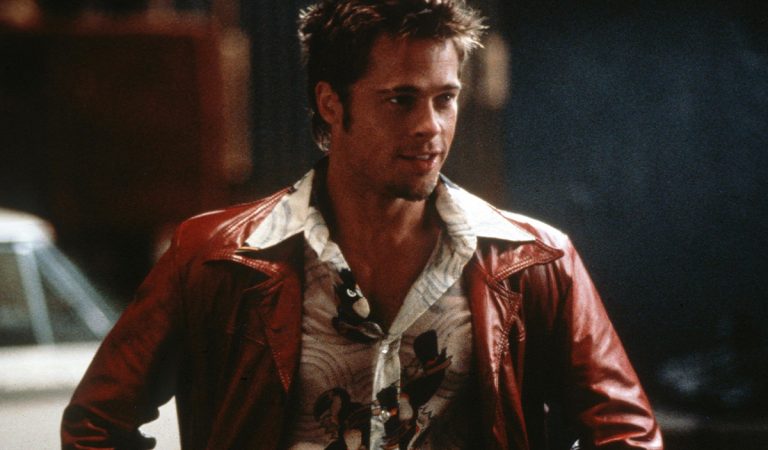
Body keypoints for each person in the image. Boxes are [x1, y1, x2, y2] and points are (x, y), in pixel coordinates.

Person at [61, 1, 663, 449]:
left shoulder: (534, 259)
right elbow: (96, 424)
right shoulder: (215, 257)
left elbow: (626, 432)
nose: (430, 126)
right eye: (401, 99)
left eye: (445, 98)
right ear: (331, 103)